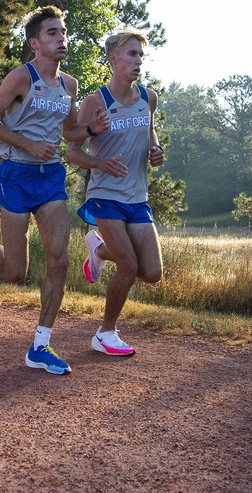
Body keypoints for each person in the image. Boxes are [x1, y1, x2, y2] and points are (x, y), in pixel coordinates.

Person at [0, 5, 109, 375]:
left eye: (63, 32)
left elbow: (69, 132)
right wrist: (27, 144)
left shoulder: (69, 85)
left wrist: (91, 129)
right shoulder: (21, 78)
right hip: (15, 174)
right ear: (35, 43)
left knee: (59, 260)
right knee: (15, 273)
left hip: (50, 178)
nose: (61, 38)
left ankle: (41, 345)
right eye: (52, 34)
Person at [66, 27, 164, 357]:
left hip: (137, 197)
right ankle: (105, 332)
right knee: (129, 268)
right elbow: (72, 150)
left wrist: (156, 150)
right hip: (105, 194)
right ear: (114, 59)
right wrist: (101, 163)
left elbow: (150, 132)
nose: (139, 61)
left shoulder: (148, 98)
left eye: (141, 55)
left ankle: (97, 249)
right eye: (132, 54)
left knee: (151, 272)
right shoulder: (97, 101)